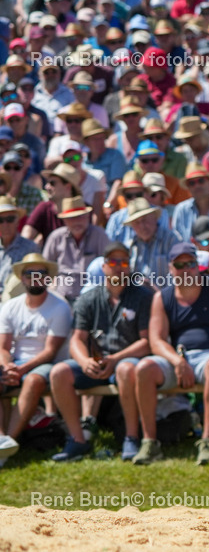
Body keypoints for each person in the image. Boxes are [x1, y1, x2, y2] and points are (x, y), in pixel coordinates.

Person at [131, 243, 209, 465]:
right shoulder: (162, 298)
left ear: (198, 266)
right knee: (144, 368)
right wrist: (177, 361)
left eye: (191, 264)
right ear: (170, 268)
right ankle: (150, 442)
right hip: (179, 358)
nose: (186, 270)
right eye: (179, 264)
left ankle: (207, 441)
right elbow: (156, 340)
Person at [48, 242, 153, 462]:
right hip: (95, 363)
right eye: (112, 262)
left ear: (130, 266)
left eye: (124, 262)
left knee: (125, 369)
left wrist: (115, 359)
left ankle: (131, 437)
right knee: (58, 373)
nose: (118, 267)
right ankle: (77, 440)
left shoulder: (143, 296)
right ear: (103, 267)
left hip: (126, 361)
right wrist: (84, 361)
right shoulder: (88, 298)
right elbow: (77, 339)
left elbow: (146, 342)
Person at [0, 254, 72, 446]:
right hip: (15, 364)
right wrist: (7, 367)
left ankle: (9, 442)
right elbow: (3, 347)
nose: (35, 277)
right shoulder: (10, 306)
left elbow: (50, 351)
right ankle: (1, 438)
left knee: (32, 380)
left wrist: (21, 370)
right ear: (22, 278)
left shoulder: (60, 307)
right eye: (30, 273)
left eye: (41, 273)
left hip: (48, 365)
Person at [42, 196, 110, 305]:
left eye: (81, 217)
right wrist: (51, 287)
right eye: (72, 218)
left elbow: (110, 266)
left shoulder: (100, 235)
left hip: (92, 300)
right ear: (64, 220)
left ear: (88, 216)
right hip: (61, 299)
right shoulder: (56, 237)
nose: (77, 222)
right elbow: (44, 268)